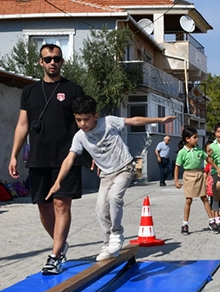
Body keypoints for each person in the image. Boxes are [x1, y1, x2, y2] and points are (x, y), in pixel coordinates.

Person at [47, 96, 175, 262]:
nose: (83, 124)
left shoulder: (108, 122)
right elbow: (69, 158)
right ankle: (108, 244)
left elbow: (134, 120)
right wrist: (57, 182)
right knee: (100, 209)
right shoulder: (79, 137)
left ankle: (117, 234)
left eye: (87, 119)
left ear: (95, 116)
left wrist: (159, 119)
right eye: (78, 120)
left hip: (125, 167)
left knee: (114, 197)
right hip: (106, 175)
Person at [9, 43, 85, 275]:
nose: (53, 62)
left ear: (62, 62)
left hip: (66, 159)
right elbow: (22, 125)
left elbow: (85, 124)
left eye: (57, 59)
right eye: (48, 59)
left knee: (61, 204)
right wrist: (13, 155)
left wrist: (93, 153)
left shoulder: (73, 90)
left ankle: (55, 255)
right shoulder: (29, 91)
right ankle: (60, 244)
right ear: (41, 62)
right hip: (38, 158)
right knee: (43, 208)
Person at [174, 126, 220, 235]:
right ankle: (185, 224)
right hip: (188, 176)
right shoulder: (182, 152)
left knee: (204, 198)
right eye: (194, 137)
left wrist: (217, 168)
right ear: (187, 139)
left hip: (199, 174)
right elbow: (177, 166)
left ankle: (211, 221)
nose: (197, 139)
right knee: (188, 200)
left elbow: (207, 159)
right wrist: (176, 180)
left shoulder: (198, 149)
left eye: (197, 137)